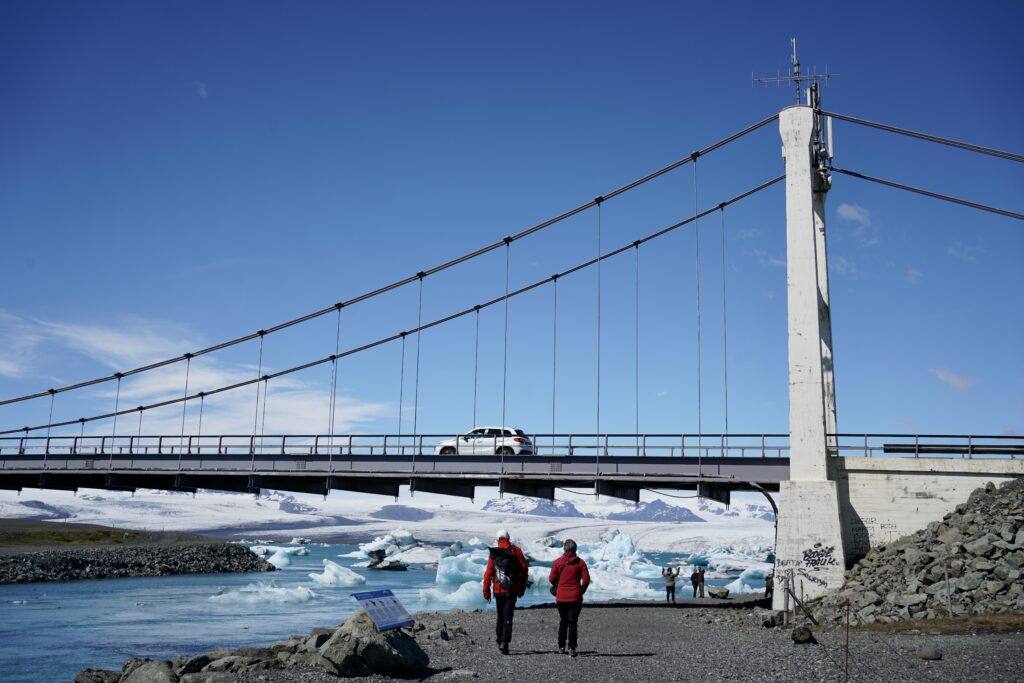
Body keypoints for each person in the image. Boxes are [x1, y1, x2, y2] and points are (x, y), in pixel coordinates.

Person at [482, 529, 529, 655]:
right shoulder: (516, 551)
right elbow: (524, 570)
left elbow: (488, 573)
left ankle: (499, 640)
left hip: (498, 589)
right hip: (512, 589)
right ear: (508, 538)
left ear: (498, 539)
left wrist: (486, 591)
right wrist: (522, 588)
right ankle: (505, 642)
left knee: (500, 615)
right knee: (508, 615)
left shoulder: (495, 553)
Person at [549, 538, 590, 657]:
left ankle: (561, 646)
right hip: (575, 597)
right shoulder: (580, 563)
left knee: (563, 620)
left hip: (561, 597)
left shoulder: (558, 562)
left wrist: (558, 585)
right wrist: (580, 590)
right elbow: (586, 579)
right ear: (575, 549)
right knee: (573, 623)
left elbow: (551, 578)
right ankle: (572, 648)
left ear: (564, 549)